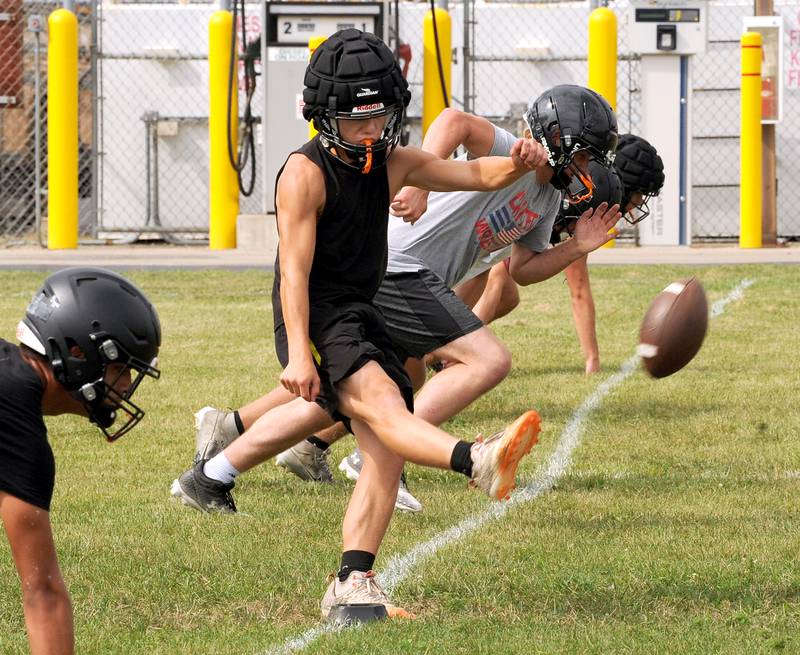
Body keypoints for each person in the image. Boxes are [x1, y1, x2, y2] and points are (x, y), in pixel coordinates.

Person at [170, 29, 543, 618]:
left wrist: (521, 162)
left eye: (381, 117)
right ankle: (476, 459)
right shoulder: (304, 174)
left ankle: (351, 582)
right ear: (325, 116)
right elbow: (293, 275)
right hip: (318, 316)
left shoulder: (392, 162)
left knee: (383, 449)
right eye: (357, 120)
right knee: (387, 411)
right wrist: (298, 354)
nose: (372, 131)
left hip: (364, 309)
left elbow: (477, 176)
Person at [189, 84, 621, 515]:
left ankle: (216, 471)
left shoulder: (547, 200)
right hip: (398, 265)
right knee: (487, 361)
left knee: (358, 394)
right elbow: (455, 121)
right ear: (556, 138)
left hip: (411, 277)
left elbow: (523, 270)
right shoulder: (512, 150)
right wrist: (420, 184)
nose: (586, 170)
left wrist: (578, 247)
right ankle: (380, 458)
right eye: (583, 156)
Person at [1, 267, 161, 655]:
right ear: (77, 353)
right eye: (119, 369)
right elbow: (44, 594)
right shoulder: (14, 418)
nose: (124, 387)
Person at [455, 133, 665, 374]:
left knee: (508, 297)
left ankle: (447, 346)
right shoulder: (577, 198)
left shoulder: (577, 189)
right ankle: (453, 351)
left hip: (487, 248)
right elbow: (578, 290)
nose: (635, 206)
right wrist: (593, 360)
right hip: (473, 236)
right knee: (493, 278)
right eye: (636, 197)